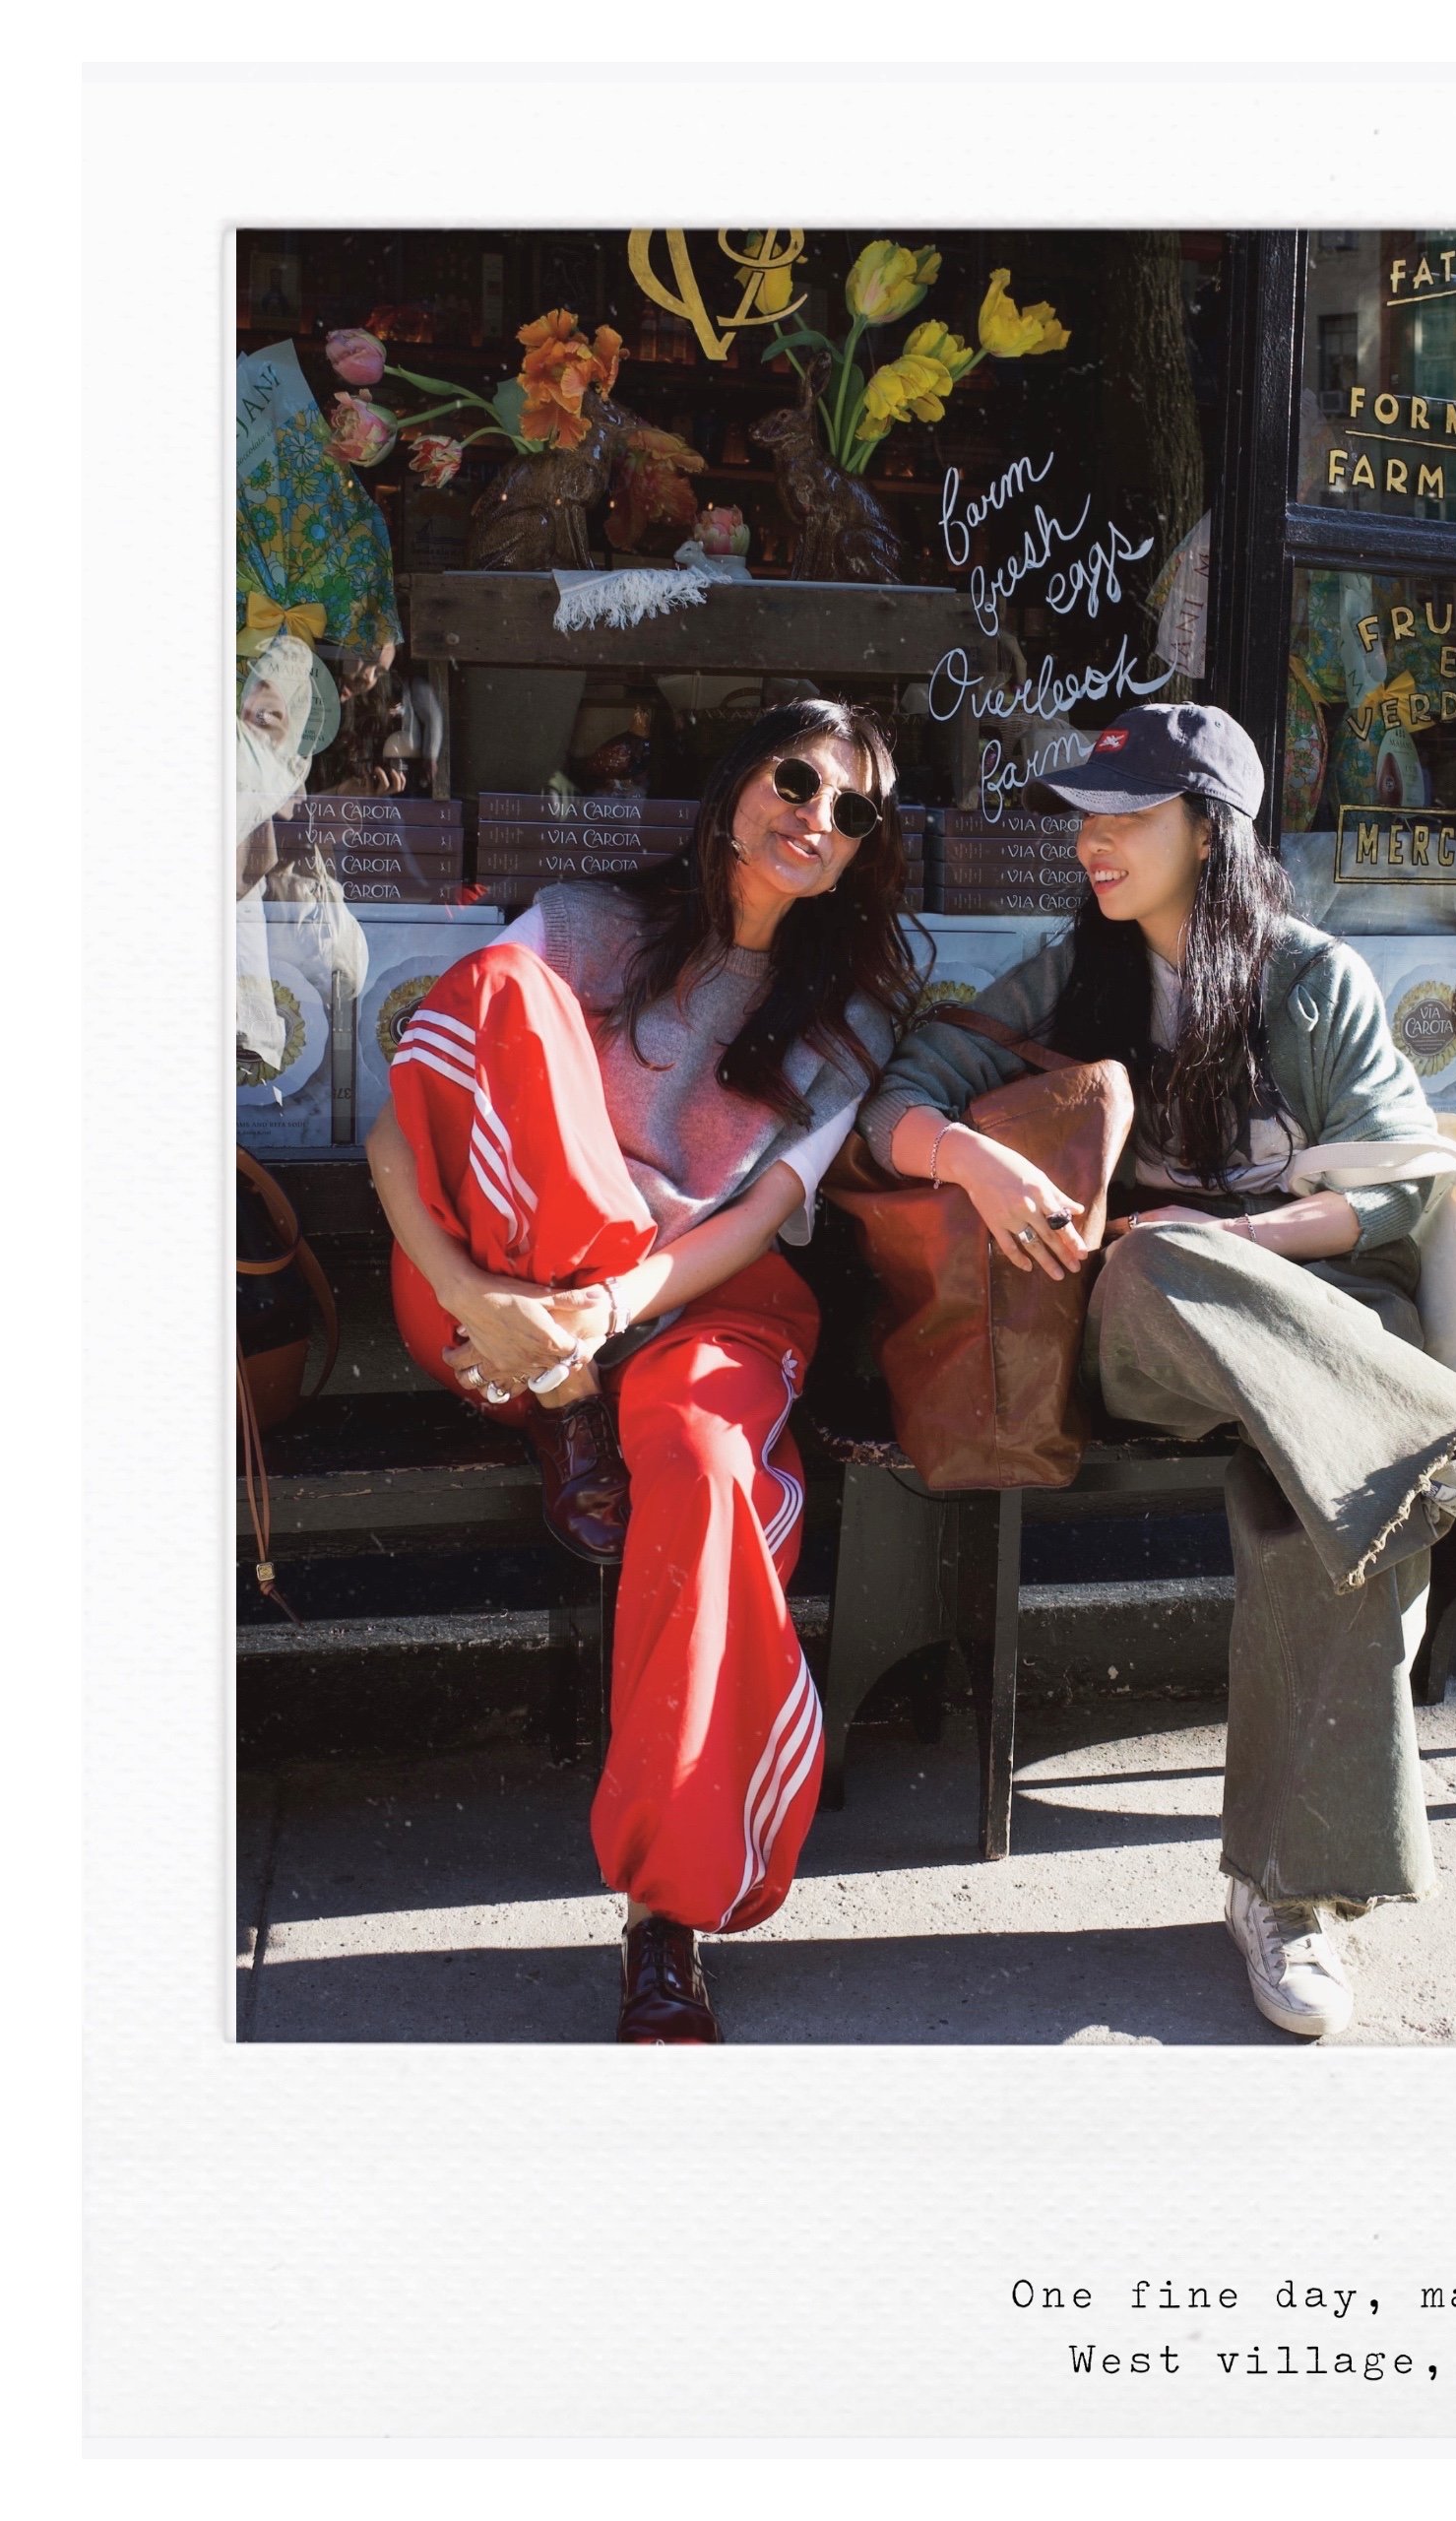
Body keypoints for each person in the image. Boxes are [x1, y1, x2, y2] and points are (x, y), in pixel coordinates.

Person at [856, 702, 1456, 2039]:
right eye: (1087, 817)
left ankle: (1286, 1894)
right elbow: (894, 1102)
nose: (1093, 843)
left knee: (1332, 1501)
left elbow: (1401, 1189)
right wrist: (971, 1158)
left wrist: (1242, 1240)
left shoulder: (1312, 982)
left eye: (1130, 816)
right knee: (1150, 1265)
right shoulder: (1065, 977)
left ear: (1212, 832)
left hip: (1326, 1328)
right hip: (1148, 1337)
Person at [365, 699, 920, 2040]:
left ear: (862, 851)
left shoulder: (848, 1013)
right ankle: (566, 1406)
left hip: (692, 1301)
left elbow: (752, 1217)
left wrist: (606, 1307)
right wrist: (482, 1298)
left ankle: (668, 1910)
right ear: (738, 782)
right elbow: (401, 1127)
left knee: (707, 1466)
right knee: (502, 991)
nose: (816, 818)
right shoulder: (581, 925)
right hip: (497, 1287)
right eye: (797, 781)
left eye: (851, 812)